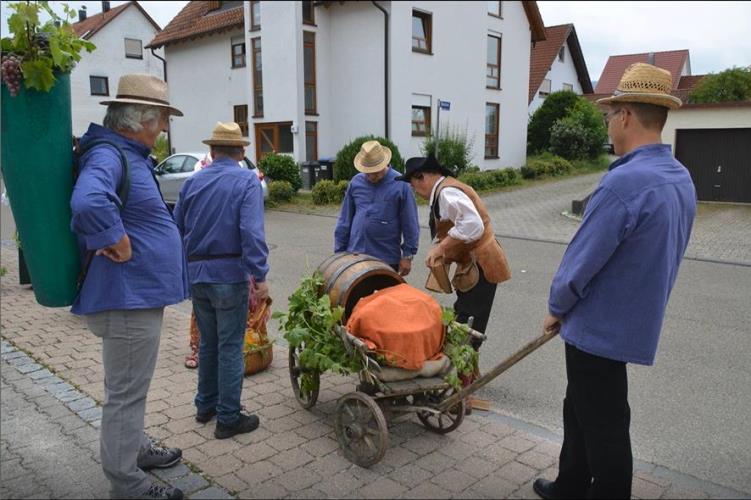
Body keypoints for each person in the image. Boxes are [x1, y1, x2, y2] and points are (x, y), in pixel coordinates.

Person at [533, 63, 697, 500]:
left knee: (604, 425)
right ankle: (570, 483)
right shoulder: (679, 177)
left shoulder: (624, 183)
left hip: (598, 328)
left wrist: (556, 307)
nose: (607, 123)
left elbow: (580, 262)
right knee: (580, 408)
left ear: (626, 115)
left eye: (609, 114)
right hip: (630, 321)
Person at [70, 74, 188, 500]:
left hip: (136, 295)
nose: (162, 130)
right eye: (159, 120)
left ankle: (134, 447)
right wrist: (116, 240)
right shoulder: (109, 155)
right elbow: (88, 202)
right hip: (126, 297)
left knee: (131, 385)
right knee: (124, 392)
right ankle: (128, 483)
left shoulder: (126, 153)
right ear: (140, 119)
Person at [173, 122, 270, 440]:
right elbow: (251, 233)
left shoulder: (192, 182)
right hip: (229, 275)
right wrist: (260, 276)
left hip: (198, 275)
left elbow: (178, 227)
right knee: (230, 347)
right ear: (242, 152)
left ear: (212, 152)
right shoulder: (246, 181)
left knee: (209, 344)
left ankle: (205, 406)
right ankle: (228, 417)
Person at [396, 154, 510, 348]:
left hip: (482, 263)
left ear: (422, 176)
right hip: (473, 262)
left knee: (469, 325)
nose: (414, 190)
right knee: (464, 319)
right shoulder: (444, 190)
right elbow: (457, 227)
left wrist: (442, 247)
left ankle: (466, 374)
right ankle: (465, 370)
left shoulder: (447, 192)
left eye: (413, 184)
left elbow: (473, 225)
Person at [334, 140, 419, 276]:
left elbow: (410, 223)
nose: (372, 176)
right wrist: (339, 252)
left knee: (385, 297)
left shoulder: (401, 184)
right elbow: (345, 220)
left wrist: (408, 255)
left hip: (386, 258)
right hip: (355, 256)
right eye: (367, 172)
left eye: (375, 172)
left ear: (384, 164)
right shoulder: (356, 182)